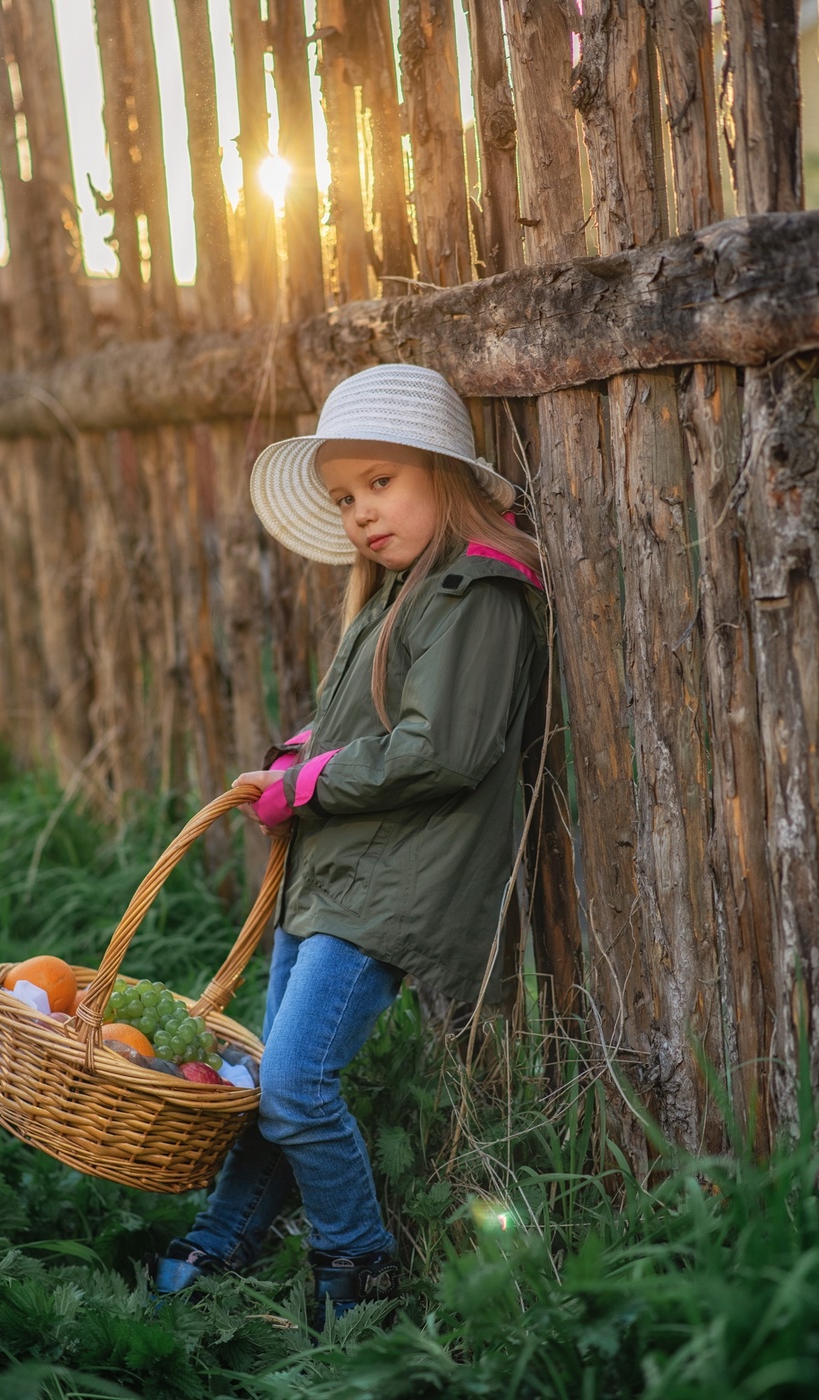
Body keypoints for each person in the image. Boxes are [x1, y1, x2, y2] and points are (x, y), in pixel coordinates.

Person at [149, 364, 548, 1326]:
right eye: (344, 498)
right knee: (276, 1081)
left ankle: (359, 1272)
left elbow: (442, 748)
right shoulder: (397, 593)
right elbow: (356, 721)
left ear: (441, 475)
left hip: (394, 884)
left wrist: (310, 785)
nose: (362, 513)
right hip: (338, 874)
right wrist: (293, 756)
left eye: (381, 482)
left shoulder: (477, 591)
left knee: (293, 1083)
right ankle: (226, 1235)